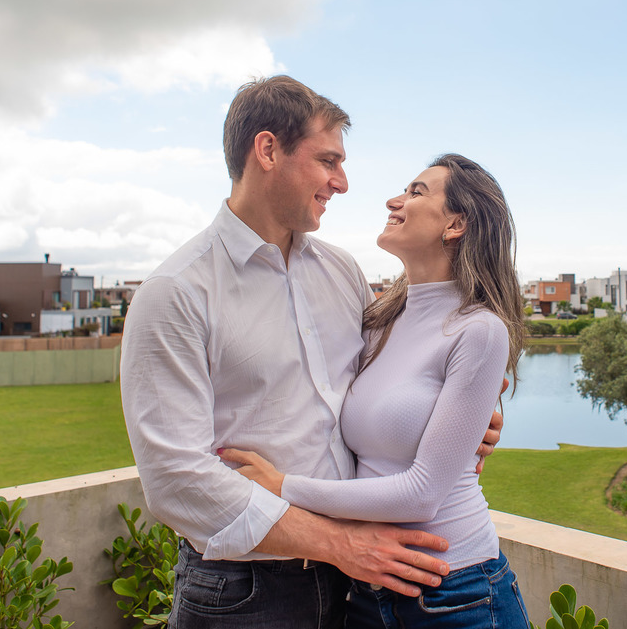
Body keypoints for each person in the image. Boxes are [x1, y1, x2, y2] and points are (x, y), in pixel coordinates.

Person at [120, 77, 502, 629]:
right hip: (245, 591)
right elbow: (175, 478)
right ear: (268, 150)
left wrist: (474, 416)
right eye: (328, 160)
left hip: (355, 584)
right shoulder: (177, 291)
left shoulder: (342, 273)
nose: (342, 183)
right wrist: (339, 544)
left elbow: (404, 373)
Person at [219, 153, 530, 628]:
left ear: (456, 224)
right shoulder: (380, 320)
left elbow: (422, 495)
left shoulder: (479, 330)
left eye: (416, 192)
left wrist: (283, 488)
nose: (395, 200)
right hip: (366, 591)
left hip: (456, 591)